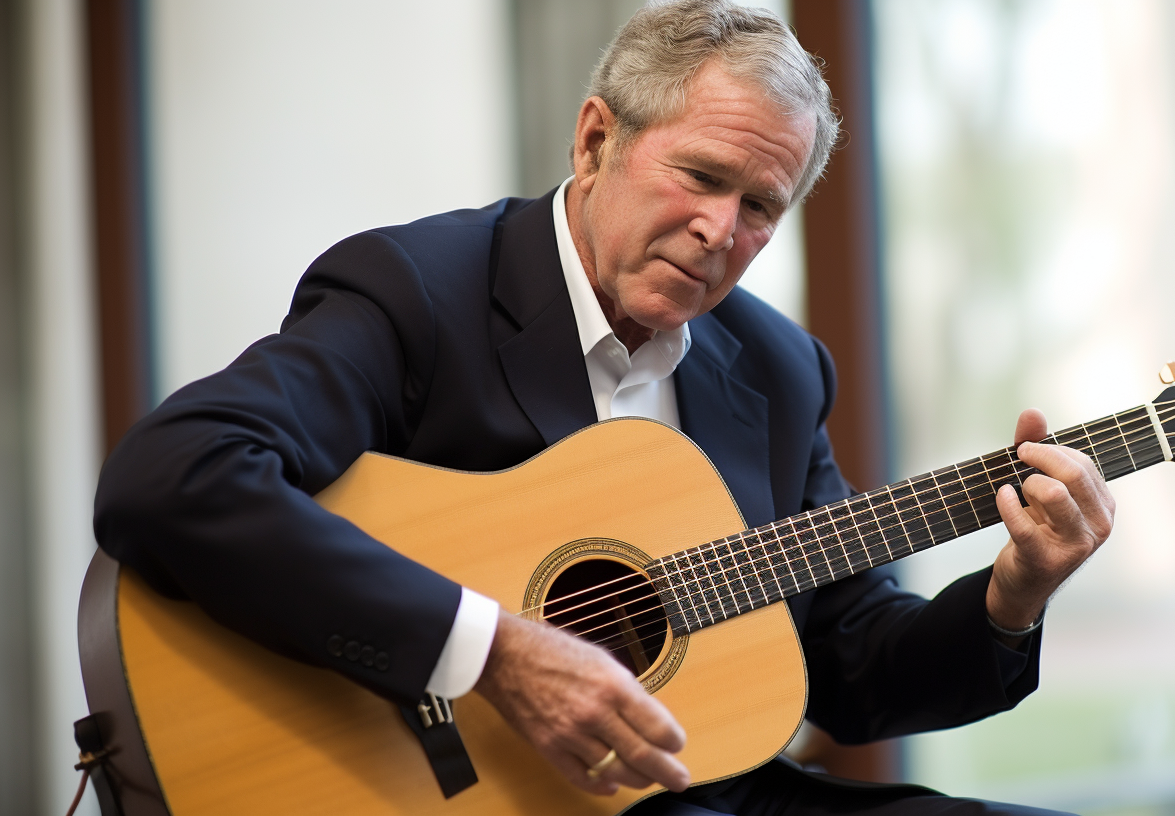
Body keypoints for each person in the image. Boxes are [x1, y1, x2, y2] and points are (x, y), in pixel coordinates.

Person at [93, 2, 1114, 814]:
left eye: (760, 205)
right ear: (595, 141)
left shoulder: (776, 366)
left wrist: (1011, 596)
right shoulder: (418, 291)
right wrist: (492, 652)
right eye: (701, 176)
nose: (722, 229)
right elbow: (174, 475)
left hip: (702, 789)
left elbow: (845, 662)